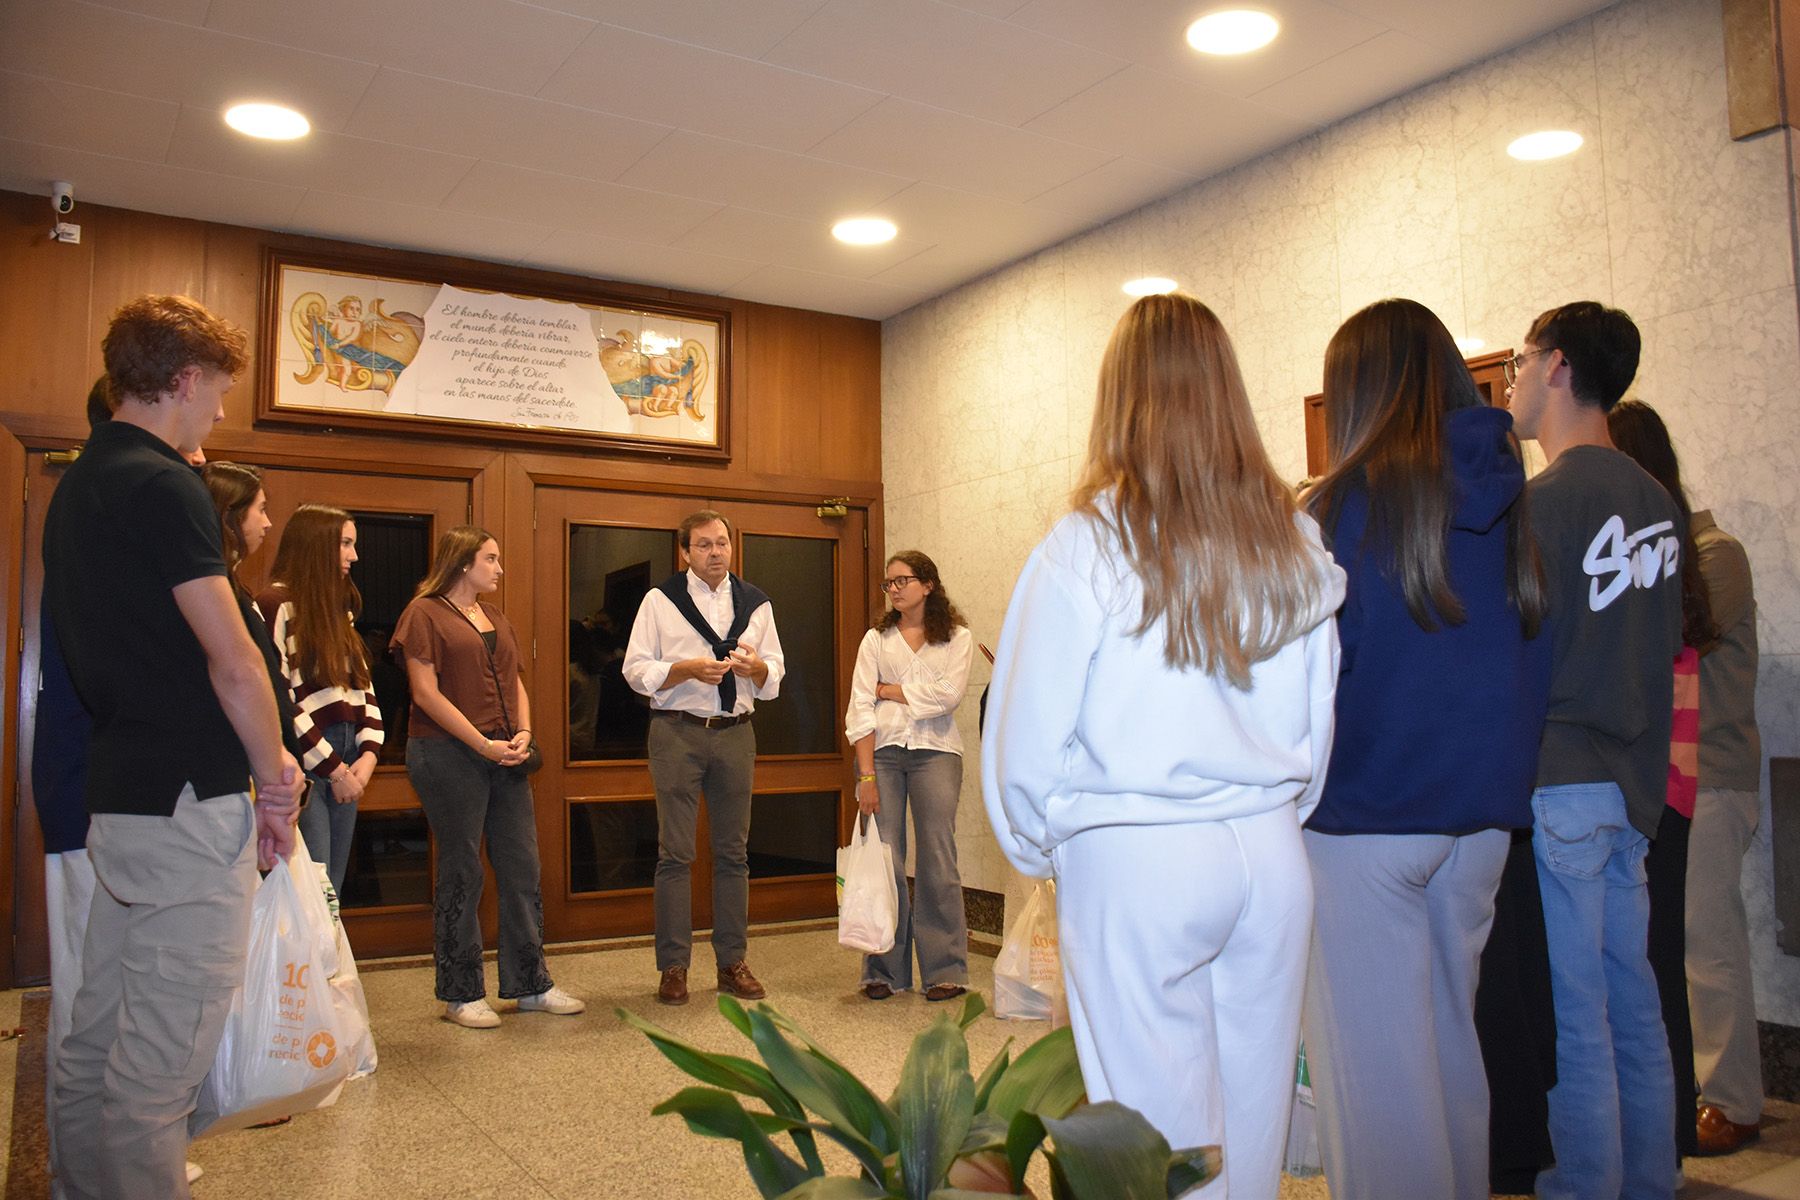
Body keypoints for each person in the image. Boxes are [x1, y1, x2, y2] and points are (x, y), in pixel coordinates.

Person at [982, 293, 1344, 1198]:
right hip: (1269, 851)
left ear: (1119, 397)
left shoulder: (1088, 543)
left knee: (1151, 1145)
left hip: (1136, 856)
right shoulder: (1294, 537)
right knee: (1252, 1124)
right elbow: (1317, 713)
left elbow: (1024, 739)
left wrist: (1046, 847)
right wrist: (1278, 813)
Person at [43, 295, 303, 1199]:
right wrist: (276, 779)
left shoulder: (80, 482)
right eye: (220, 391)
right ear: (183, 380)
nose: (221, 413)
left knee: (96, 1036)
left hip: (122, 795)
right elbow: (232, 659)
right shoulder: (164, 486)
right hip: (193, 803)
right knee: (158, 1075)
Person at [1299, 299, 1551, 1200]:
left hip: (1366, 820)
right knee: (1451, 1053)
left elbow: (1312, 674)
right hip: (1482, 826)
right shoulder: (1512, 492)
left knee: (1376, 1087)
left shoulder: (1340, 511)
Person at [1505, 300, 1683, 1200]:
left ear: (1561, 366)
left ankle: (1585, 1187)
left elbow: (1522, 654)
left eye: (1524, 358)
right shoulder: (1656, 500)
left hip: (1565, 782)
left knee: (1578, 1017)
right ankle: (1650, 1181)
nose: (1514, 378)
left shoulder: (1543, 502)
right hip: (1635, 792)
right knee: (1635, 1006)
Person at [1608, 401, 1766, 1156]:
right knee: (1669, 941)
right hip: (1663, 779)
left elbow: (1677, 634)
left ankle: (1733, 1100)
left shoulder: (1715, 554)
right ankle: (1687, 1093)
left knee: (1708, 941)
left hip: (1714, 777)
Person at [390, 526, 583, 1028]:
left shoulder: (495, 616)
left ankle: (530, 983)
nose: (499, 569)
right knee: (463, 869)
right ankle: (461, 993)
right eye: (491, 559)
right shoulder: (423, 612)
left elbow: (516, 679)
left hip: (504, 754)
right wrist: (480, 744)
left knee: (522, 865)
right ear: (463, 562)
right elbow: (425, 693)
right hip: (447, 753)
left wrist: (523, 733)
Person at [622, 509, 786, 1006]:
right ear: (686, 552)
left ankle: (732, 962)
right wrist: (685, 669)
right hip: (677, 733)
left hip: (736, 734)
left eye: (723, 543)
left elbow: (775, 673)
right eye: (705, 545)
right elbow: (635, 670)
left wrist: (756, 668)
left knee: (734, 854)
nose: (716, 553)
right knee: (676, 854)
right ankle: (674, 966)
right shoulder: (660, 601)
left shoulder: (756, 603)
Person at [1610, 399, 1714, 1164]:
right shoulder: (1670, 547)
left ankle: (1664, 1134)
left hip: (1650, 786)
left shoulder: (1648, 550)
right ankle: (1668, 1134)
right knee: (1656, 966)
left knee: (1647, 969)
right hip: (1670, 786)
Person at [844, 550, 975, 1002]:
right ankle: (883, 970)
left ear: (928, 585)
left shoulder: (957, 637)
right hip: (881, 757)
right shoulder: (875, 640)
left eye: (902, 580)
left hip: (936, 754)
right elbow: (860, 707)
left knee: (938, 859)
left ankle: (945, 970)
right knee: (886, 859)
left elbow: (948, 697)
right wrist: (865, 778)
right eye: (889, 583)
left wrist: (888, 691)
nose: (894, 589)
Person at [258, 504, 384, 895]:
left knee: (332, 893)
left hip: (347, 762)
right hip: (308, 764)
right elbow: (279, 698)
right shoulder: (275, 605)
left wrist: (367, 756)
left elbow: (363, 689)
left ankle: (330, 959)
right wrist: (333, 768)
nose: (354, 555)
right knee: (311, 889)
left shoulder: (338, 611)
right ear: (316, 544)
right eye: (345, 543)